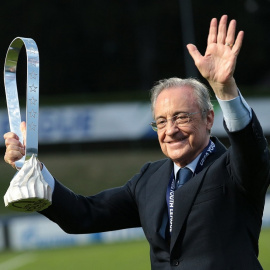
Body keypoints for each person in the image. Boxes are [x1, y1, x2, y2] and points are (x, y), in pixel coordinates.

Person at [3, 15, 270, 269]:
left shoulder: (235, 170)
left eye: (181, 117)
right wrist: (33, 169)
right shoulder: (149, 179)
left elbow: (252, 149)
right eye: (161, 121)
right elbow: (83, 214)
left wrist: (225, 89)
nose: (171, 130)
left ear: (209, 118)